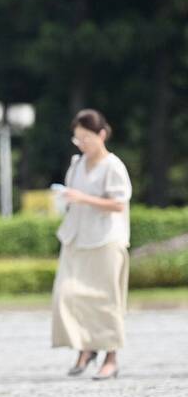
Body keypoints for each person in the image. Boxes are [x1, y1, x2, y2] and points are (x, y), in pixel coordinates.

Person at [52, 109, 132, 380]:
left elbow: (119, 204)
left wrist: (82, 198)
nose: (82, 144)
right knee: (67, 295)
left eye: (86, 138)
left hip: (106, 240)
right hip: (76, 238)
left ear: (102, 135)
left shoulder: (113, 166)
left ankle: (111, 358)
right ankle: (85, 347)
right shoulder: (76, 164)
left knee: (107, 300)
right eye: (77, 139)